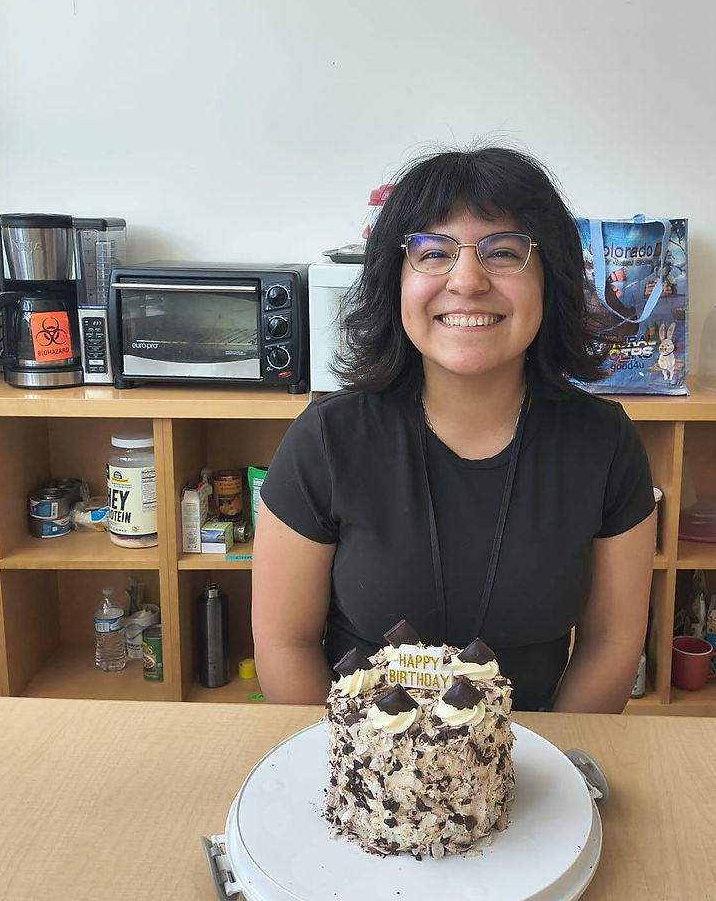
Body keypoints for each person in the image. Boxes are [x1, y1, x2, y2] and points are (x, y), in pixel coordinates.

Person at [252, 146, 656, 711]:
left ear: (551, 278)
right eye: (435, 252)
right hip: (364, 778)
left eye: (505, 252)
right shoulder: (325, 442)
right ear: (395, 278)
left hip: (534, 770)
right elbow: (283, 642)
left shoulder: (606, 445)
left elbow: (611, 642)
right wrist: (359, 777)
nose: (467, 280)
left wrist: (549, 769)